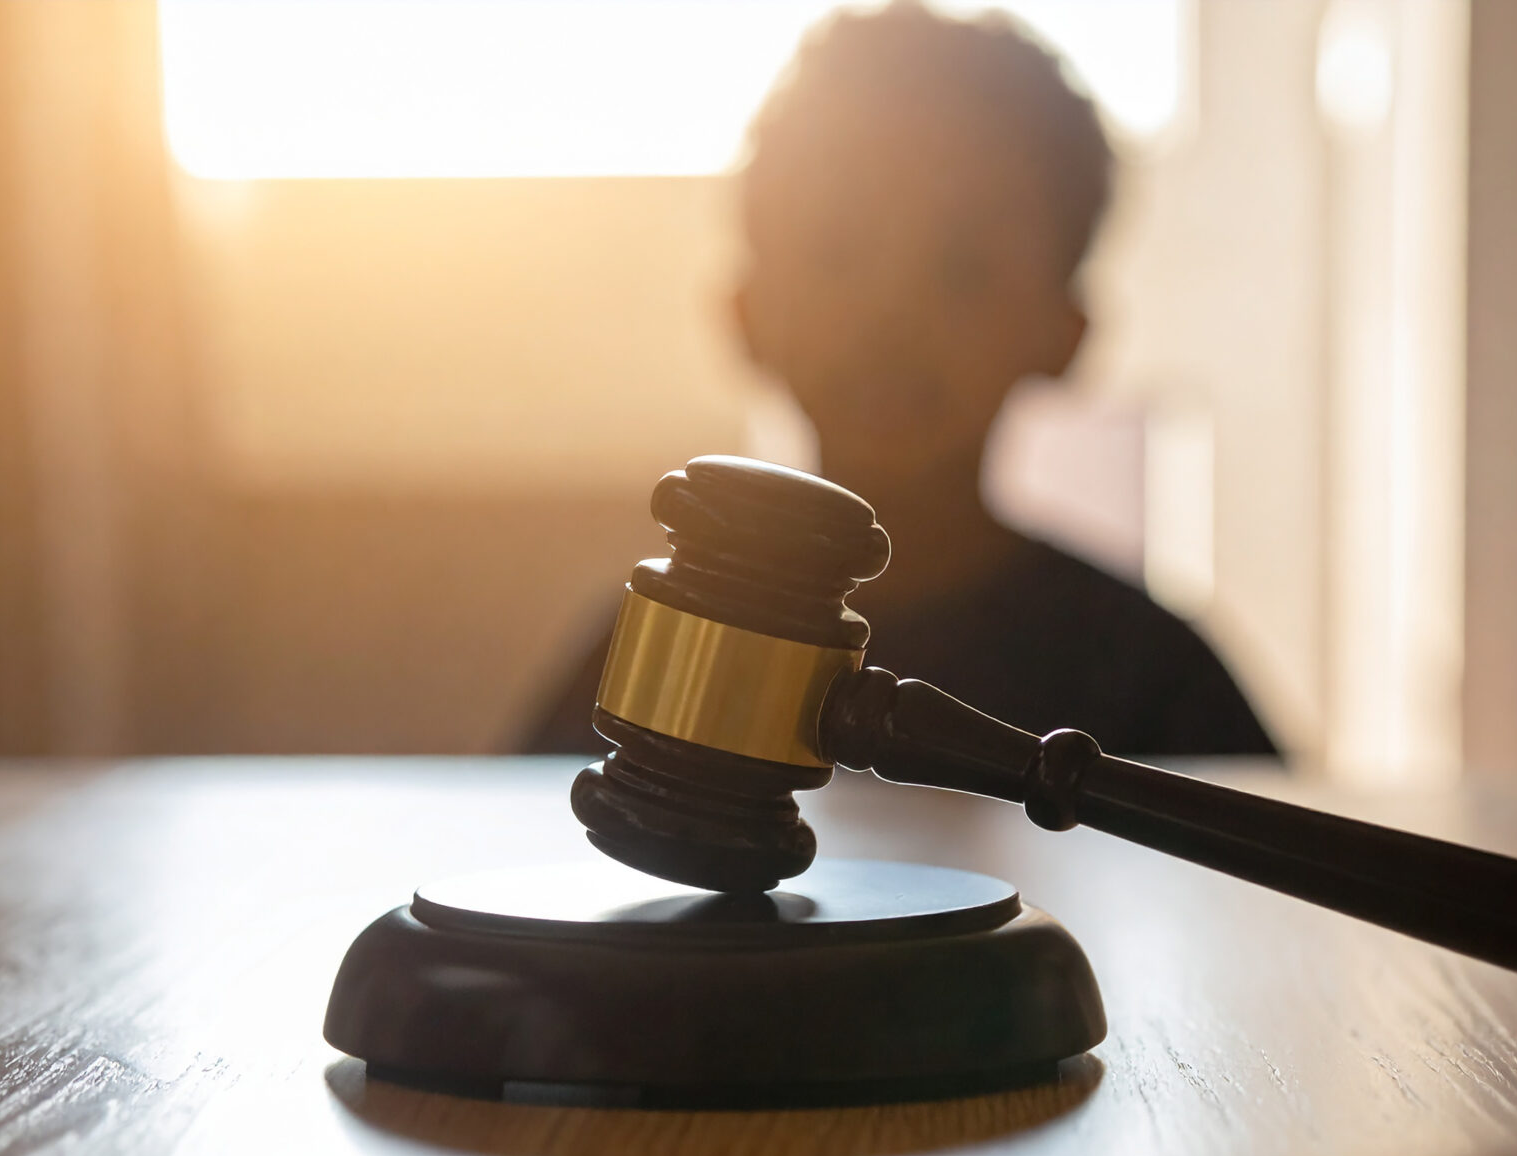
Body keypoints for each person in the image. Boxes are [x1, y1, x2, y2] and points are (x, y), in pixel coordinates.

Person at [523, 1, 1277, 758]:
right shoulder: (663, 644)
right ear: (745, 312)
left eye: (964, 271)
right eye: (836, 251)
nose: (892, 318)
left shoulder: (1148, 678)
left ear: (1064, 333)